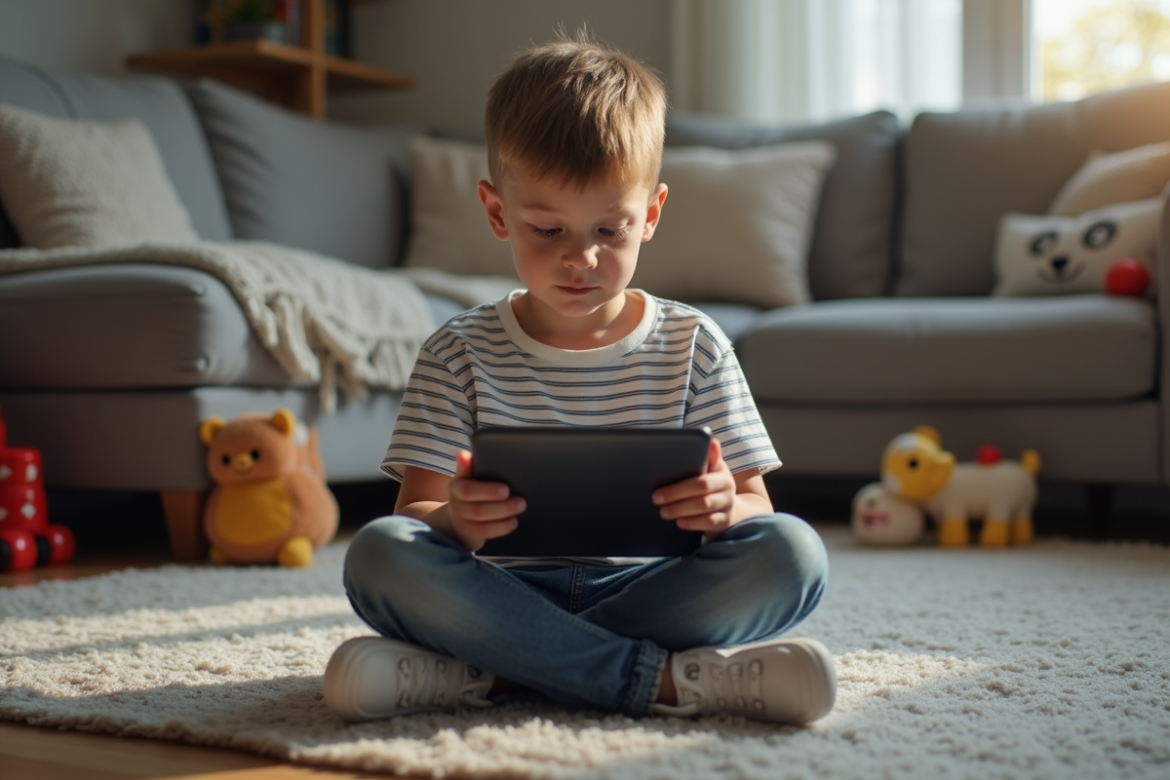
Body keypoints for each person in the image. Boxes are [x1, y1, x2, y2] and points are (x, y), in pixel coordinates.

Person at [323, 33, 835, 725]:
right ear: (498, 213)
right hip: (498, 589)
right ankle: (667, 684)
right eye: (547, 229)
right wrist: (455, 521)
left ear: (650, 215)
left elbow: (757, 511)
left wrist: (724, 509)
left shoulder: (695, 343)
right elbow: (414, 519)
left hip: (649, 588)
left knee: (795, 553)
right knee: (380, 554)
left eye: (609, 230)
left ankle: (493, 674)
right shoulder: (457, 351)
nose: (580, 258)